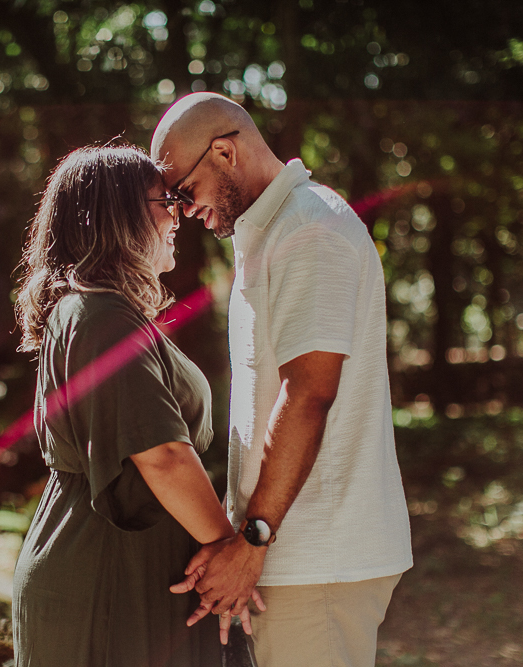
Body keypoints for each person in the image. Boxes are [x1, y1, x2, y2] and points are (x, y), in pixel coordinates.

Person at [151, 93, 413, 667]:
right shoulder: (273, 233)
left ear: (224, 152)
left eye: (182, 191)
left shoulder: (309, 232)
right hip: (297, 554)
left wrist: (253, 540)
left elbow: (309, 393)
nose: (181, 211)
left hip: (317, 555)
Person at [11, 144, 262, 667]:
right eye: (165, 200)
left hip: (123, 572)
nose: (180, 214)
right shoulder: (101, 316)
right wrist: (230, 552)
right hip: (105, 577)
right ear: (117, 213)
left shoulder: (93, 311)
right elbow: (163, 456)